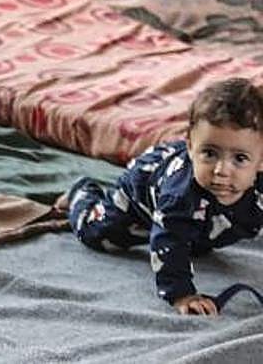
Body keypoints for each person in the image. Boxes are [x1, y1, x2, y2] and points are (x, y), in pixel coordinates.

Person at [58, 78, 263, 315]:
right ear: (190, 146)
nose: (221, 170)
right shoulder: (179, 197)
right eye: (209, 153)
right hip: (140, 194)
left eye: (239, 158)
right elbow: (168, 242)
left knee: (195, 238)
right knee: (97, 233)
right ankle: (81, 193)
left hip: (204, 221)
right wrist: (182, 294)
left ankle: (196, 231)